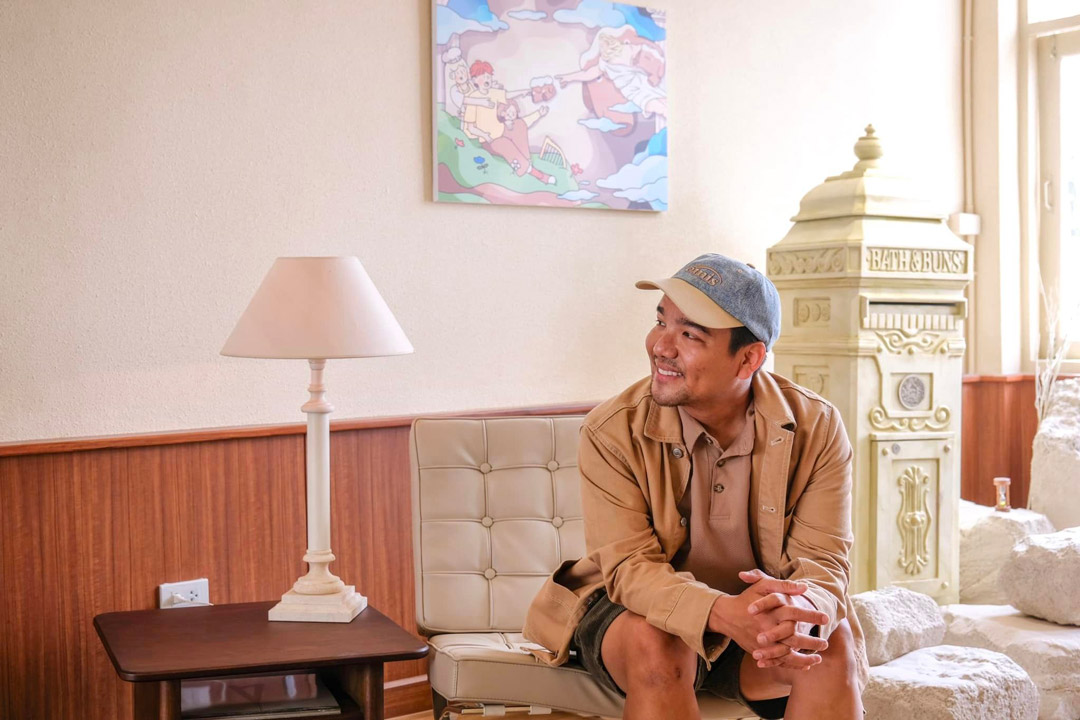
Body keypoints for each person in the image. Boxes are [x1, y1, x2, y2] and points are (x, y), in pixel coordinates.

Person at [523, 254, 868, 719]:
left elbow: (823, 561)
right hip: (633, 612)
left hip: (752, 624)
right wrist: (721, 612)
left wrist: (797, 606)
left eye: (690, 335)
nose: (661, 346)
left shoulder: (817, 425)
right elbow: (629, 570)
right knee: (658, 642)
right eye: (660, 321)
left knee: (826, 640)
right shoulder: (612, 429)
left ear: (749, 358)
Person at [463, 61, 555, 185]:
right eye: (483, 77)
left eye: (489, 77)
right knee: (504, 143)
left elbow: (508, 95)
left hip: (503, 131)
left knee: (519, 124)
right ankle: (536, 174)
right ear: (474, 80)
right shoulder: (473, 99)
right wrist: (485, 136)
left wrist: (528, 92)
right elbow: (470, 128)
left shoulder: (494, 93)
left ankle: (526, 161)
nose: (487, 79)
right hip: (490, 139)